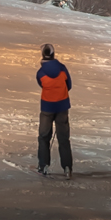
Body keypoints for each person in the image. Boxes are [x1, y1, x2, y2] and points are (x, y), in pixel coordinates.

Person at [36, 41, 72, 176]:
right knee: (64, 138)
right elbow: (69, 84)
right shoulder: (62, 68)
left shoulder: (40, 73)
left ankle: (43, 165)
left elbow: (41, 84)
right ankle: (67, 167)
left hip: (47, 106)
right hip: (62, 106)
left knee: (44, 136)